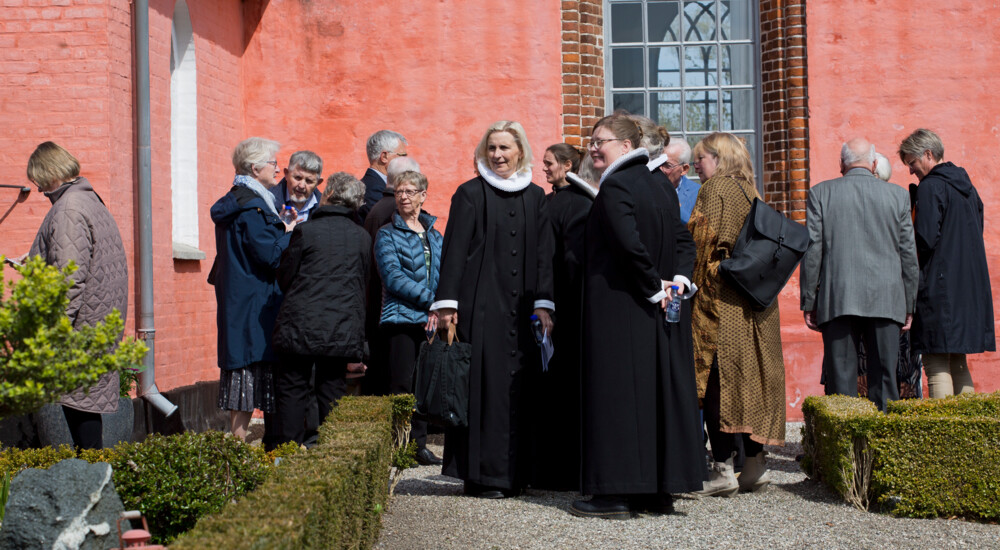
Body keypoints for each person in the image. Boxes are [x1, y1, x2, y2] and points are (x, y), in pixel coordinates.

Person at [570, 113, 704, 520]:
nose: (594, 148)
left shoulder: (616, 185)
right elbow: (684, 239)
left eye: (601, 141)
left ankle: (615, 494)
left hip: (619, 308)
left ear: (626, 147)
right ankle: (656, 491)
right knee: (652, 397)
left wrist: (654, 286)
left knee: (617, 397)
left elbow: (628, 245)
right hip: (656, 313)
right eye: (592, 141)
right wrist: (676, 283)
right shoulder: (660, 185)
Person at [430, 120, 555, 499]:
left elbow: (545, 254)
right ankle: (482, 477)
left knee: (520, 390)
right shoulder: (469, 194)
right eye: (492, 149)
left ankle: (517, 474)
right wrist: (448, 304)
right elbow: (453, 252)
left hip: (522, 311)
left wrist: (545, 302)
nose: (498, 155)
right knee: (484, 390)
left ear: (520, 151)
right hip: (480, 308)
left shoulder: (535, 196)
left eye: (505, 148)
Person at [688, 132, 785, 496]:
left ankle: (722, 469)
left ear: (719, 158)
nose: (696, 165)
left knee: (718, 379)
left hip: (722, 303)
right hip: (756, 304)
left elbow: (702, 242)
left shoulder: (716, 190)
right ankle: (756, 465)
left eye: (701, 158)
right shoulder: (751, 191)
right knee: (748, 379)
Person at [800, 138, 919, 412]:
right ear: (875, 163)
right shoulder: (898, 195)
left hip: (838, 297)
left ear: (842, 164)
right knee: (886, 382)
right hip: (887, 299)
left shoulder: (821, 193)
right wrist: (909, 303)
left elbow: (812, 251)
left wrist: (809, 301)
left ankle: (844, 451)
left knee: (841, 385)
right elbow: (908, 256)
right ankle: (883, 449)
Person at [26, 142, 129, 450]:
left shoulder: (68, 209)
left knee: (79, 410)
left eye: (39, 181)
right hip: (97, 321)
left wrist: (54, 331)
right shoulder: (89, 200)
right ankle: (95, 478)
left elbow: (69, 278)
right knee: (84, 407)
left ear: (47, 174)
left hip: (79, 327)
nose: (39, 188)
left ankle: (93, 483)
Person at [271, 172, 371, 446]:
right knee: (332, 390)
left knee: (292, 390)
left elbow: (285, 275)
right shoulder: (362, 237)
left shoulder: (306, 230)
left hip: (300, 325)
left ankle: (286, 458)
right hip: (340, 327)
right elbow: (365, 282)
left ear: (328, 196)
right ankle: (333, 456)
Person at [898, 129, 995, 397]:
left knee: (936, 361)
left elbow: (925, 240)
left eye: (912, 162)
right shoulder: (967, 186)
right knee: (958, 360)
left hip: (939, 288)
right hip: (970, 287)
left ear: (928, 154)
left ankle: (945, 437)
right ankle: (969, 433)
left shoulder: (931, 187)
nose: (910, 171)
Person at [210, 137, 294, 442]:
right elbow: (270, 255)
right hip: (253, 302)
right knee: (245, 376)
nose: (277, 170)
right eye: (273, 163)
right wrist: (288, 233)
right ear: (256, 167)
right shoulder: (253, 206)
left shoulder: (240, 200)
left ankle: (238, 448)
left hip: (240, 299)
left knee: (242, 376)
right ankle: (238, 450)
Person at [531, 143, 592, 490]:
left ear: (568, 166)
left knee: (561, 390)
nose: (545, 168)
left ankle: (561, 471)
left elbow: (569, 261)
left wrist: (550, 302)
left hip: (561, 307)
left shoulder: (575, 204)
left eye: (549, 163)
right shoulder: (553, 201)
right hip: (554, 303)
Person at [374, 170, 443, 466]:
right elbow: (392, 277)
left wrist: (443, 306)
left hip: (431, 320)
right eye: (399, 191)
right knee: (402, 384)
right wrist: (433, 301)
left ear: (423, 196)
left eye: (410, 191)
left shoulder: (435, 234)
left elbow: (447, 272)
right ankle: (398, 446)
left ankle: (419, 445)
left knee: (424, 384)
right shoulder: (386, 233)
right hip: (401, 318)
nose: (403, 197)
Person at [362, 157, 422, 397]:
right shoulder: (391, 216)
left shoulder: (379, 209)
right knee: (400, 384)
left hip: (386, 307)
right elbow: (396, 274)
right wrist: (431, 299)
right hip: (397, 310)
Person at [359, 130, 408, 223]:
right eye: (402, 155)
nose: (405, 161)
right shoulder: (374, 190)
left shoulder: (371, 185)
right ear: (384, 156)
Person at [270, 150, 324, 223]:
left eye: (308, 181)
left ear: (318, 182)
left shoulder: (325, 208)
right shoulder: (267, 201)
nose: (301, 186)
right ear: (286, 174)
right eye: (297, 178)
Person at [664, 139, 700, 224]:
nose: (661, 169)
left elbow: (698, 230)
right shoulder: (647, 188)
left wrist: (674, 205)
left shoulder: (698, 194)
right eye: (659, 164)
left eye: (668, 166)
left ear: (684, 169)